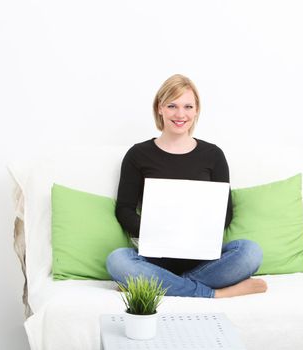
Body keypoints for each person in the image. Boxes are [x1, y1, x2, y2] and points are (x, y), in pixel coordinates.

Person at [106, 74, 267, 298]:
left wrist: (192, 231)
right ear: (160, 108)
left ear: (196, 110)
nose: (180, 114)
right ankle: (214, 294)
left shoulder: (213, 155)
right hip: (155, 256)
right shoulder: (138, 154)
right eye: (172, 106)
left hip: (204, 258)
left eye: (188, 106)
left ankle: (157, 284)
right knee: (117, 261)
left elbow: (226, 214)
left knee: (250, 252)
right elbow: (124, 209)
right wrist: (157, 232)